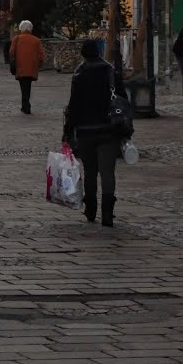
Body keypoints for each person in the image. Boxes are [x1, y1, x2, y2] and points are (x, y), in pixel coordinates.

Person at [63, 39, 129, 227]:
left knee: (90, 171)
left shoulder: (79, 74)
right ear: (99, 52)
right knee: (108, 172)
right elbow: (123, 100)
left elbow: (73, 105)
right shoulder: (111, 72)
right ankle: (108, 212)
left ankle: (90, 208)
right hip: (109, 129)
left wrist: (68, 130)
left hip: (85, 131)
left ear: (83, 54)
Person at [8, 20, 44, 114]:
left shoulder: (17, 38)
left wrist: (12, 61)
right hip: (32, 67)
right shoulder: (36, 40)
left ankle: (26, 105)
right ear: (30, 29)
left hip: (20, 67)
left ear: (21, 28)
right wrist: (39, 64)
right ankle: (25, 105)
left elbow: (11, 52)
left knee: (24, 86)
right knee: (27, 86)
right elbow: (41, 55)